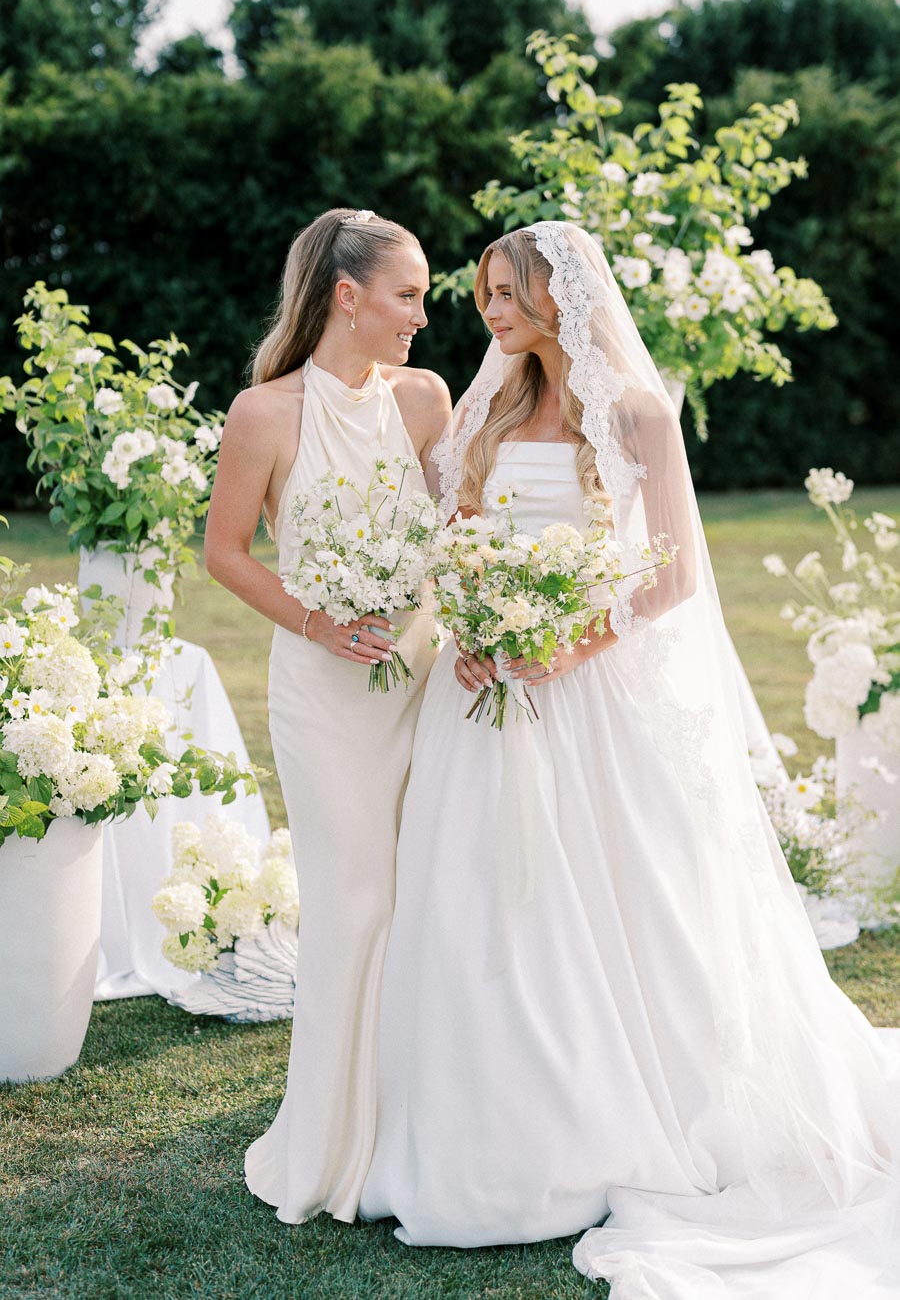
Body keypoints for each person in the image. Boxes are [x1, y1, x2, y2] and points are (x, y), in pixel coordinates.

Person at [358, 222, 900, 1297]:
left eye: (505, 293)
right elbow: (454, 536)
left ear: (559, 293)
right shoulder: (491, 409)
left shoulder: (640, 415)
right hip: (490, 695)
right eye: (482, 297)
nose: (490, 314)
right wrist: (472, 633)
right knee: (486, 903)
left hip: (595, 690)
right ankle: (501, 1117)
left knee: (624, 889)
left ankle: (641, 1105)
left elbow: (671, 581)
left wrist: (562, 642)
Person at [204, 208, 451, 1225]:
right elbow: (225, 553)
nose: (423, 318)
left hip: (426, 679)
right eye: (409, 295)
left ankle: (421, 1124)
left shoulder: (429, 400)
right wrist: (316, 621)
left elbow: (462, 530)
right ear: (346, 295)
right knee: (352, 903)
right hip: (323, 693)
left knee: (428, 891)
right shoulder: (263, 413)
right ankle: (333, 1139)